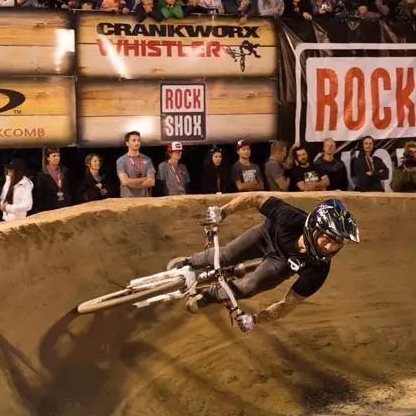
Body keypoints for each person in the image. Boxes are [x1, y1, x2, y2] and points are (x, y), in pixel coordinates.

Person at [168, 195, 359, 326]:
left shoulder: (318, 270)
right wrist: (223, 212)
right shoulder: (290, 217)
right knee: (226, 256)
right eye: (327, 239)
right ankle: (189, 262)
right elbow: (256, 198)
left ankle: (208, 296)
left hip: (281, 263)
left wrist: (255, 319)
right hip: (266, 236)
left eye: (337, 244)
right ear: (313, 229)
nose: (330, 248)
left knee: (249, 287)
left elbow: (288, 304)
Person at [116, 131, 155, 198]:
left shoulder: (147, 159)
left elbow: (151, 182)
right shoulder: (121, 160)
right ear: (127, 143)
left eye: (138, 140)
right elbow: (124, 181)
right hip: (128, 200)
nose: (137, 143)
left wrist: (130, 183)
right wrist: (145, 178)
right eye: (134, 140)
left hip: (144, 199)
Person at [32, 148, 71, 212]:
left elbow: (68, 189)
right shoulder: (42, 174)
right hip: (49, 209)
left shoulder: (64, 171)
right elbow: (39, 195)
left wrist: (68, 201)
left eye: (58, 155)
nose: (57, 158)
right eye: (54, 156)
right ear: (48, 158)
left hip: (65, 206)